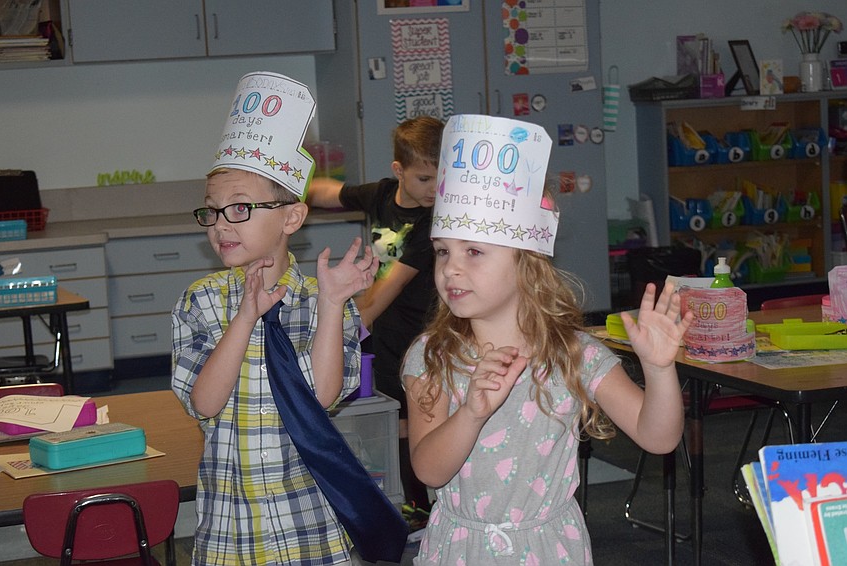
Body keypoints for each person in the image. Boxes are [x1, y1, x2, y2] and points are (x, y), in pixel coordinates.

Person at [401, 115, 693, 564]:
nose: (451, 268)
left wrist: (659, 370)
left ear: (527, 263)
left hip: (549, 551)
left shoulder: (575, 354)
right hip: (461, 550)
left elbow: (659, 438)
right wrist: (472, 415)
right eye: (444, 251)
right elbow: (428, 470)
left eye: (474, 251)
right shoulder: (432, 356)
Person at [171, 72, 379, 565]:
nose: (222, 224)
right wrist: (244, 319)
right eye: (213, 211)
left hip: (309, 524)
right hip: (231, 530)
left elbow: (323, 396)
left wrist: (331, 307)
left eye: (240, 208)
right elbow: (204, 401)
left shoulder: (322, 299)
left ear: (291, 218)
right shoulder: (199, 301)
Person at [307, 115, 445, 523]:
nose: (435, 190)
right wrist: (289, 189)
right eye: (424, 179)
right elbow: (331, 192)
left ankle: (421, 508)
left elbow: (387, 289)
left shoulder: (430, 223)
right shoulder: (383, 195)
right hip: (384, 335)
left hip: (422, 336)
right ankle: (403, 501)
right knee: (389, 420)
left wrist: (335, 333)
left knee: (412, 421)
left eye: (442, 179)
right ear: (399, 172)